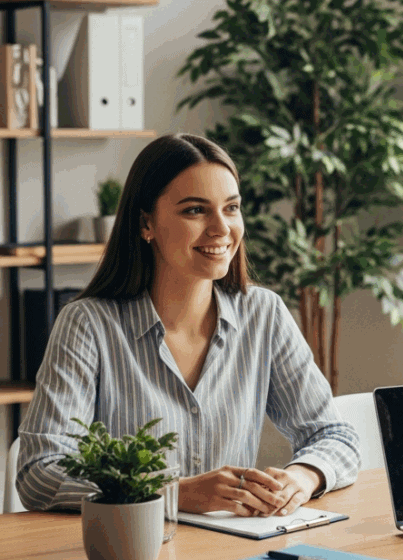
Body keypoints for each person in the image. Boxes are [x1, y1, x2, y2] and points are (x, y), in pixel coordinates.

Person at [17, 134, 360, 517]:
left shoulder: (264, 314)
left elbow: (335, 435)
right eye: (196, 210)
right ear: (146, 223)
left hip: (234, 553)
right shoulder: (88, 325)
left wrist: (301, 477)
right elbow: (39, 471)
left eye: (231, 208)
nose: (221, 228)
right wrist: (171, 493)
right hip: (129, 558)